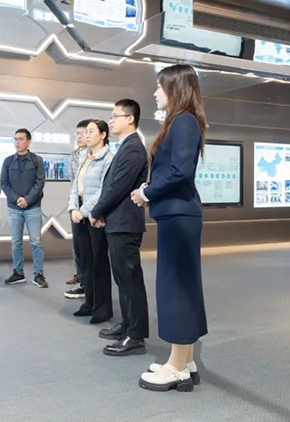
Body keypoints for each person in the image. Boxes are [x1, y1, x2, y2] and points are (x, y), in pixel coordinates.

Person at [131, 64, 208, 392]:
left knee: (175, 287)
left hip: (179, 216)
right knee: (182, 286)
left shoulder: (184, 121)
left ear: (175, 88)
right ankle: (185, 360)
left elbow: (179, 172)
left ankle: (176, 366)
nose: (155, 93)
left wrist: (146, 192)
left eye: (159, 87)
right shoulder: (182, 121)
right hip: (177, 215)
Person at [89, 99, 149, 356]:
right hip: (118, 222)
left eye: (116, 116)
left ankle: (135, 336)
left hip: (125, 224)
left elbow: (117, 187)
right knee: (123, 279)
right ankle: (127, 324)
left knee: (130, 280)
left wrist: (96, 211)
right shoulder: (125, 146)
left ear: (130, 119)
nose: (111, 121)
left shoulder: (133, 149)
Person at [67, 120, 114, 322]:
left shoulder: (109, 158)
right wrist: (73, 208)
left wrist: (83, 211)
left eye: (90, 131)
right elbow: (74, 186)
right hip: (78, 213)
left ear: (103, 135)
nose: (86, 135)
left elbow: (104, 190)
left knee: (98, 262)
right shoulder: (85, 156)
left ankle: (102, 309)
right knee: (85, 262)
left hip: (95, 215)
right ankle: (89, 303)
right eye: (85, 132)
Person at [1, 129, 48, 288]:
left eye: (20, 139)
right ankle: (18, 273)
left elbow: (40, 182)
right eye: (15, 139)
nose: (17, 142)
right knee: (16, 242)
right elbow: (4, 183)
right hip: (14, 208)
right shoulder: (8, 161)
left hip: (33, 207)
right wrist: (17, 199)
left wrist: (27, 199)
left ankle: (38, 274)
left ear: (28, 141)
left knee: (36, 242)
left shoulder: (37, 160)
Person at [65, 120, 90, 290]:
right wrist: (73, 205)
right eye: (77, 133)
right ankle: (80, 274)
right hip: (76, 203)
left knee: (89, 244)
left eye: (83, 133)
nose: (79, 137)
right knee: (77, 243)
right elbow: (72, 182)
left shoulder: (95, 154)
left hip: (91, 203)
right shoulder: (73, 155)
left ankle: (88, 279)